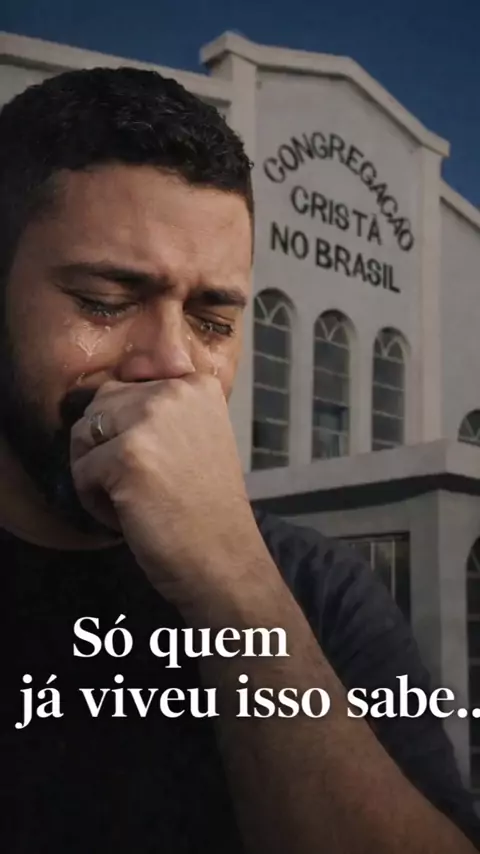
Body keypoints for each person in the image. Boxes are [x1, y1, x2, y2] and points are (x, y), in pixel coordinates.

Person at [0, 66, 478, 854]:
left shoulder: (318, 593)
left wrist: (233, 584)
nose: (171, 364)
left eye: (212, 321)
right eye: (105, 302)